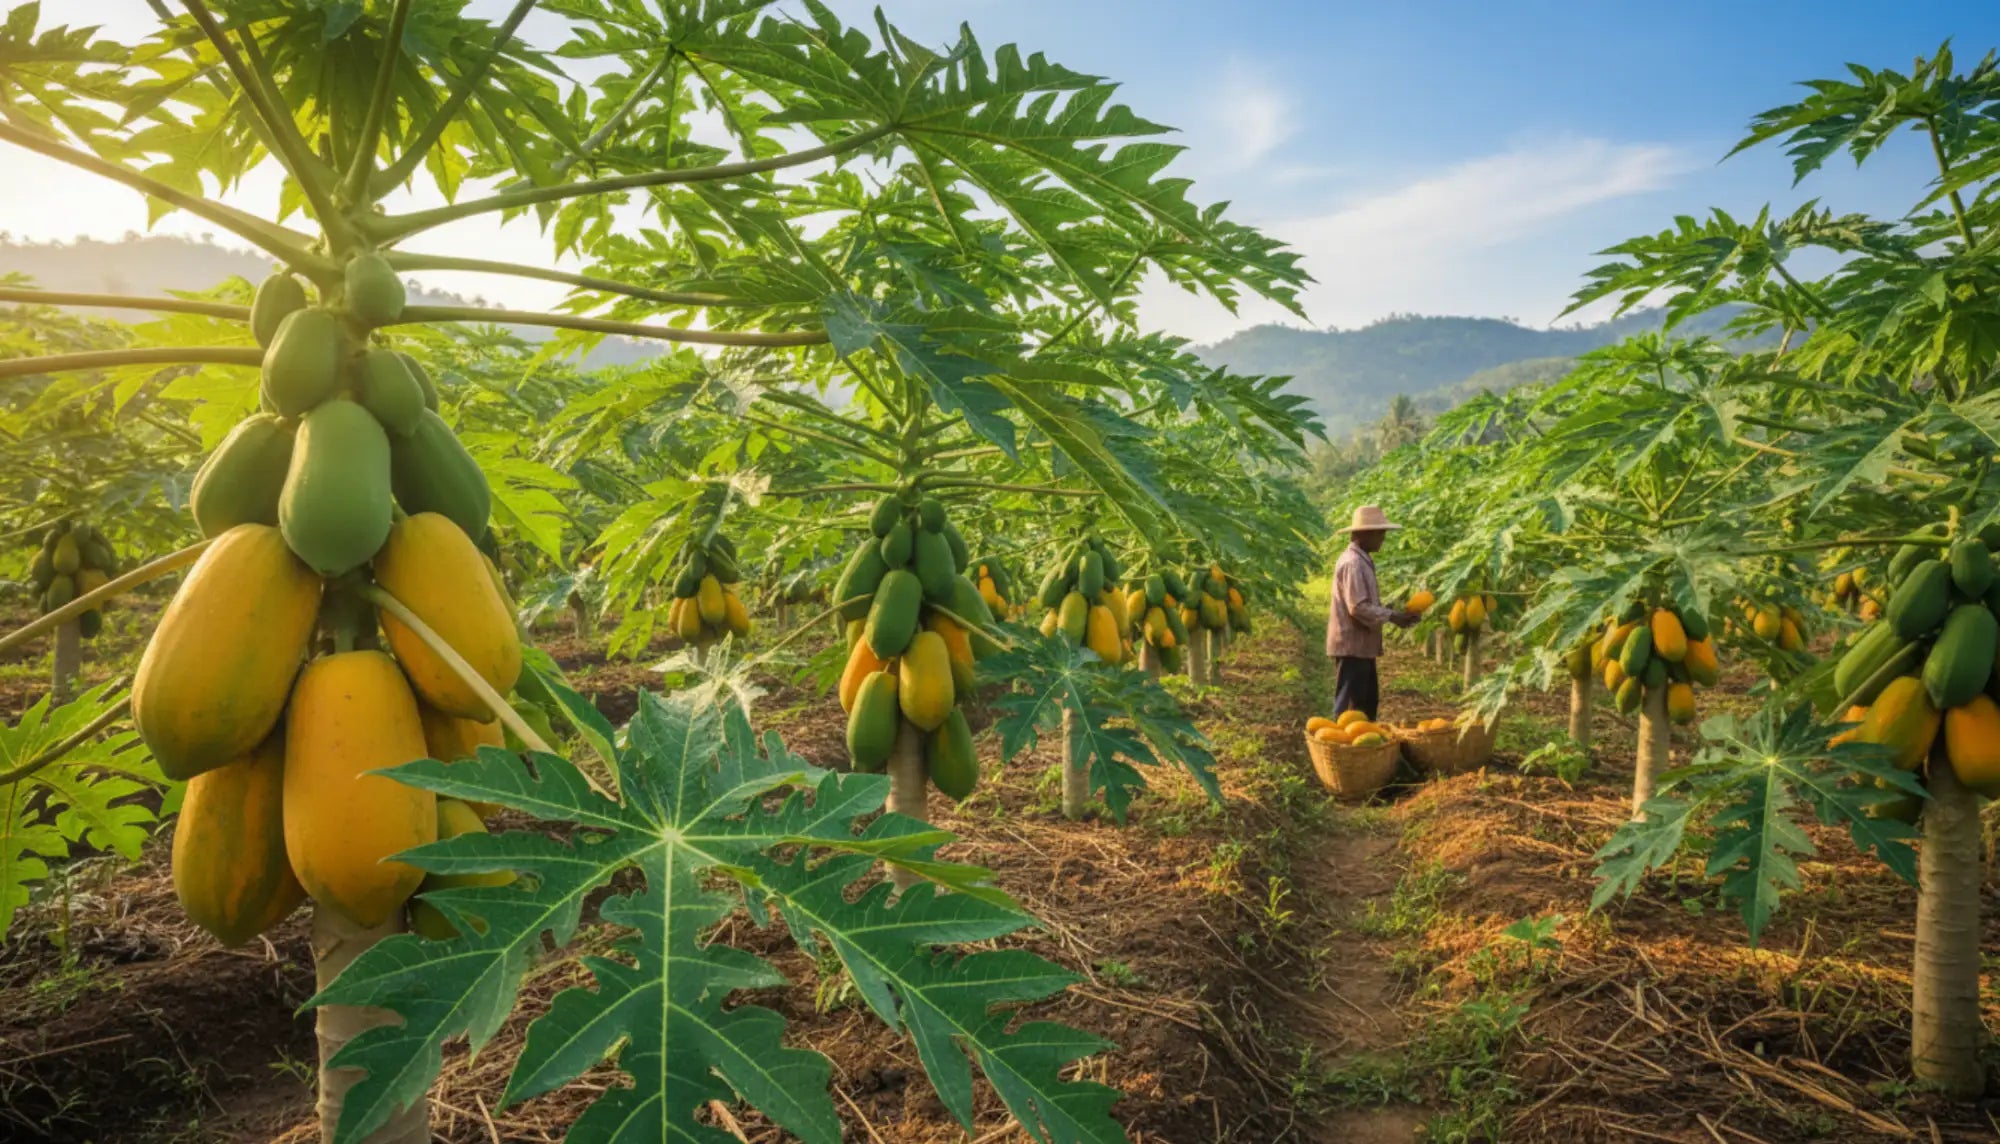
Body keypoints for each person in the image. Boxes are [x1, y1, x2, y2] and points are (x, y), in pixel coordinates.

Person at [1326, 505, 1419, 720]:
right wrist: (1393, 617)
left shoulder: (1361, 560)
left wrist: (1393, 611)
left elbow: (1365, 602)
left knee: (1366, 704)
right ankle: (1344, 748)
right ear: (1364, 534)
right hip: (1352, 647)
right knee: (1351, 708)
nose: (1383, 539)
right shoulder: (1353, 563)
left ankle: (1362, 749)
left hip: (1361, 647)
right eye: (1380, 533)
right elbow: (1358, 606)